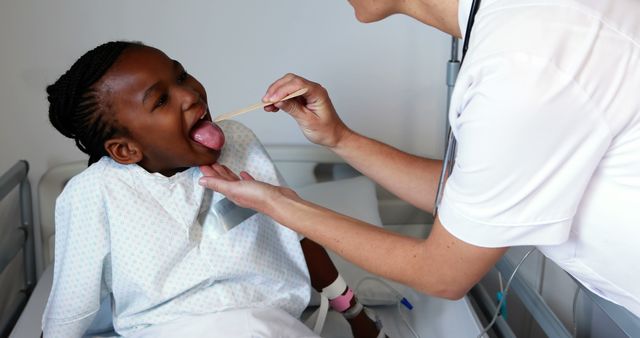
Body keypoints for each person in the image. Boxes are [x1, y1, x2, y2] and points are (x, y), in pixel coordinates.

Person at [198, 0, 640, 320]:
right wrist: (339, 138)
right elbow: (469, 199)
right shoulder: (522, 28)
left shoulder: (523, 62)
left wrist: (277, 204)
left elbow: (443, 274)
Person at [42, 41, 383, 337]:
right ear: (126, 150)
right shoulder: (94, 192)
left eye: (180, 76)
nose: (190, 95)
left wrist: (355, 314)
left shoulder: (238, 142)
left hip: (268, 324)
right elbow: (72, 302)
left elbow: (295, 232)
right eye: (161, 101)